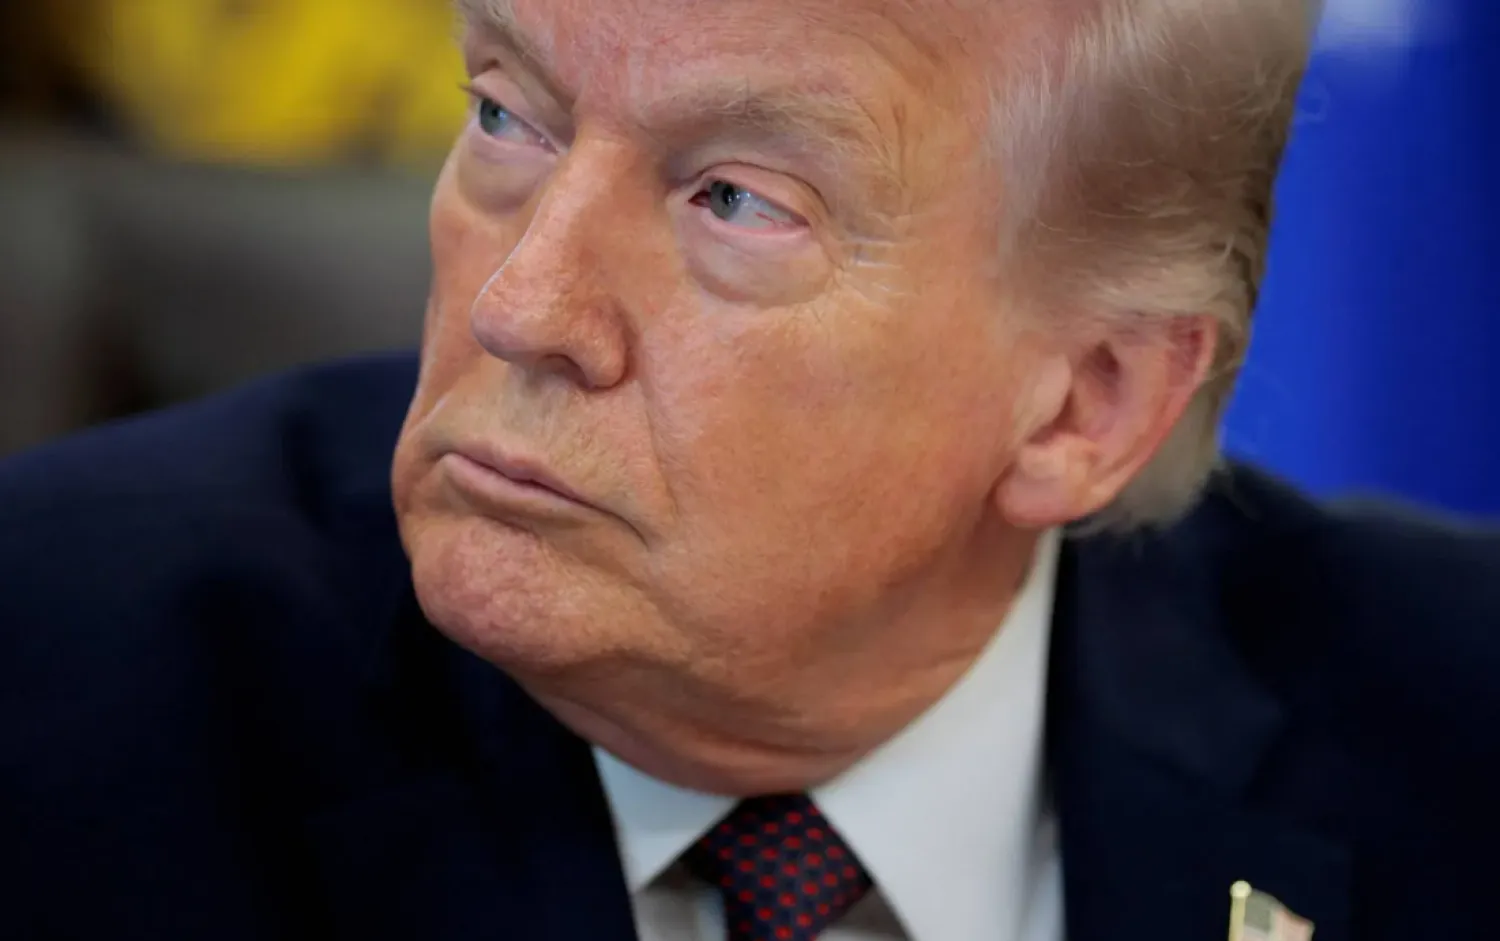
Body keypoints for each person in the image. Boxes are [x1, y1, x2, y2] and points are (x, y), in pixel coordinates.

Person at [2, 1, 1497, 939]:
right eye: (507, 116)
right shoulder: (54, 686)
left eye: (737, 200)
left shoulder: (1455, 726)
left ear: (1084, 407)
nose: (523, 304)